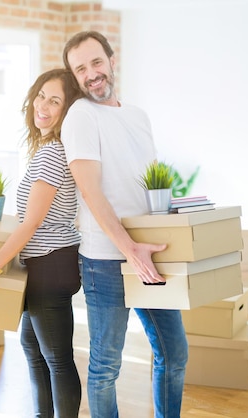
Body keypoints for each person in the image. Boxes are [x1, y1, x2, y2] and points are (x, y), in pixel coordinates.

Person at [60, 31, 188, 418]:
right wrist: (128, 249)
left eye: (96, 62)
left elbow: (144, 185)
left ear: (112, 61)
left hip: (148, 253)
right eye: (80, 69)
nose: (91, 74)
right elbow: (91, 192)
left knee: (174, 353)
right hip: (105, 261)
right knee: (106, 367)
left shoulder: (137, 116)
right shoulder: (80, 116)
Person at [0, 68, 83, 418]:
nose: (43, 105)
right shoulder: (50, 150)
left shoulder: (51, 154)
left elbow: (31, 223)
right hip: (46, 263)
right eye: (41, 96)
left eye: (55, 100)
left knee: (57, 358)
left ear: (67, 110)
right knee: (34, 349)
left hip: (50, 263)